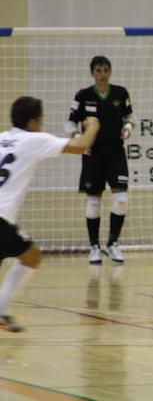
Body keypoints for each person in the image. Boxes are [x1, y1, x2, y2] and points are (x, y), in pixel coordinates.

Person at [0, 96, 100, 331]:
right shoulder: (33, 139)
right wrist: (93, 125)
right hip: (1, 220)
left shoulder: (2, 138)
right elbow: (80, 146)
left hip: (4, 223)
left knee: (31, 256)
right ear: (33, 122)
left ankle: (2, 312)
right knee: (31, 257)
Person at [65, 56, 134, 264]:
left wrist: (128, 128)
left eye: (105, 70)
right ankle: (94, 247)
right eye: (98, 70)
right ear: (92, 73)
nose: (102, 74)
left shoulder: (121, 93)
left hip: (115, 153)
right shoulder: (83, 96)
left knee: (121, 200)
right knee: (93, 202)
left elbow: (130, 117)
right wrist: (77, 140)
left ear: (110, 72)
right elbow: (70, 123)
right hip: (92, 155)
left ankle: (112, 244)